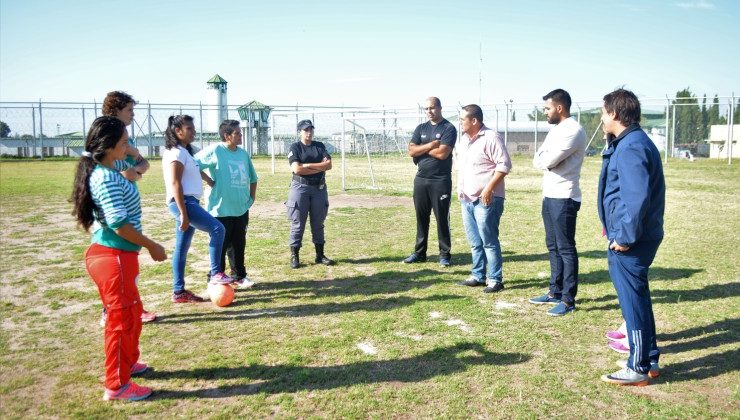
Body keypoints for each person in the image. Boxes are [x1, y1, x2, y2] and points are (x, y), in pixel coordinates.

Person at [70, 116, 167, 401]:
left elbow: (141, 166)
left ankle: (127, 366)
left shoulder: (112, 167)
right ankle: (117, 385)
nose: (129, 146)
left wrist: (132, 153)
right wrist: (152, 245)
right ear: (110, 146)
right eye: (124, 142)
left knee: (132, 314)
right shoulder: (104, 176)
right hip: (113, 257)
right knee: (120, 322)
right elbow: (118, 224)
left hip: (121, 257)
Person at [597, 89, 665, 386]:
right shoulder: (628, 142)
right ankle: (648, 358)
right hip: (633, 234)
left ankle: (637, 365)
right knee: (638, 298)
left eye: (602, 112)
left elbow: (636, 199)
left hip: (632, 239)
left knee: (633, 302)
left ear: (613, 113)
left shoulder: (632, 147)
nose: (601, 118)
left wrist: (623, 236)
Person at [528, 89, 587, 316]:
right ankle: (554, 291)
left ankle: (568, 299)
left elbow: (548, 160)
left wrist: (545, 159)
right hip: (550, 194)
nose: (545, 112)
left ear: (559, 108)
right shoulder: (556, 130)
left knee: (565, 248)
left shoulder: (573, 130)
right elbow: (538, 158)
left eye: (547, 108)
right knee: (552, 245)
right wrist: (544, 159)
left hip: (565, 197)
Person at [162, 115, 233, 303]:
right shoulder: (176, 153)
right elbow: (175, 183)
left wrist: (207, 180)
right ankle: (216, 272)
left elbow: (192, 169)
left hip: (188, 202)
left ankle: (179, 292)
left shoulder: (184, 152)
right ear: (178, 132)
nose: (193, 132)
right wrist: (183, 213)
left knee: (182, 247)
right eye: (189, 129)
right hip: (184, 203)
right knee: (218, 229)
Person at [100, 91, 156, 325]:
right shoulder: (103, 135)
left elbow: (144, 164)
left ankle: (134, 306)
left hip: (128, 202)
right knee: (115, 262)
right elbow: (97, 167)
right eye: (129, 110)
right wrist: (124, 174)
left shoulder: (128, 141)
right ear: (115, 111)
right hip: (112, 203)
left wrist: (135, 171)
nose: (133, 115)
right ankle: (109, 311)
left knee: (128, 264)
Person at [194, 120, 258, 287]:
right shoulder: (216, 150)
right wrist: (208, 179)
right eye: (237, 133)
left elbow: (253, 178)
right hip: (219, 208)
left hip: (240, 207)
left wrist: (251, 198)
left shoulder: (243, 154)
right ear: (226, 136)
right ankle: (216, 276)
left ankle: (239, 275)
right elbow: (193, 164)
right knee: (220, 245)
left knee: (238, 244)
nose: (241, 135)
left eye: (240, 133)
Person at [455, 104, 511, 293]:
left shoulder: (491, 137)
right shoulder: (463, 139)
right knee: (474, 241)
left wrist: (488, 189)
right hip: (467, 198)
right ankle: (478, 275)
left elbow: (504, 165)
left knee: (489, 240)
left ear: (474, 121)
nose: (460, 122)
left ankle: (495, 279)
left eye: (462, 119)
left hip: (486, 198)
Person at [403, 97, 457, 267]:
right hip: (421, 179)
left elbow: (443, 154)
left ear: (440, 108)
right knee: (421, 218)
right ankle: (420, 253)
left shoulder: (449, 128)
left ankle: (445, 254)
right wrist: (431, 145)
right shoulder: (421, 128)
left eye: (432, 108)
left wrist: (422, 149)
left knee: (442, 218)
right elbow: (411, 151)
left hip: (440, 180)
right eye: (426, 109)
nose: (429, 111)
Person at [285, 119, 334, 268]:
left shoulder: (319, 146)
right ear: (300, 131)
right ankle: (295, 256)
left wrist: (309, 165)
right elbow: (297, 169)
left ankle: (320, 255)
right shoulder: (295, 147)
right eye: (306, 130)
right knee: (298, 223)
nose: (309, 132)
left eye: (311, 129)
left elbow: (329, 165)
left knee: (318, 223)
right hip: (301, 188)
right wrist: (320, 167)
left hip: (319, 188)